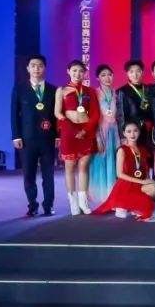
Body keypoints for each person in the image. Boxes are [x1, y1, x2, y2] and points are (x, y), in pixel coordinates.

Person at [10, 55, 58, 216]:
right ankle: (32, 205)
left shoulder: (53, 90)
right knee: (29, 174)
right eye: (33, 65)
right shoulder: (20, 89)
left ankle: (48, 205)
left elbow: (57, 116)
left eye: (40, 65)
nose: (36, 69)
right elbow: (14, 114)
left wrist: (58, 136)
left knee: (48, 174)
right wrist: (16, 136)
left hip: (48, 138)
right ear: (28, 68)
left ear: (45, 68)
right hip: (27, 138)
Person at [55, 60, 100, 216]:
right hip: (69, 132)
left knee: (83, 166)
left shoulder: (90, 91)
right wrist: (71, 127)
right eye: (74, 70)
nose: (77, 74)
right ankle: (73, 202)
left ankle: (83, 201)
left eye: (81, 71)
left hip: (86, 132)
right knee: (70, 167)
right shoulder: (61, 90)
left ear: (85, 73)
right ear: (68, 71)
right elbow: (57, 112)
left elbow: (95, 114)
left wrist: (85, 130)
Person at [91, 121, 155, 220]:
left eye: (135, 131)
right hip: (126, 184)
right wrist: (141, 181)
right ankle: (122, 203)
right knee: (146, 209)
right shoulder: (122, 150)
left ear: (139, 132)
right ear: (124, 133)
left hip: (139, 184)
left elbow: (145, 170)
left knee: (154, 188)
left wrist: (148, 180)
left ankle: (134, 205)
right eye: (129, 131)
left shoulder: (142, 149)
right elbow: (120, 174)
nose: (132, 134)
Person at [88, 64, 119, 205]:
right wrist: (98, 138)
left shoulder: (116, 92)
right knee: (101, 162)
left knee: (114, 163)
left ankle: (113, 195)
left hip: (115, 132)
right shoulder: (94, 93)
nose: (107, 78)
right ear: (97, 78)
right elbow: (93, 117)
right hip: (101, 132)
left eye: (109, 75)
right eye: (103, 75)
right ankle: (101, 197)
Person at [116, 60, 155, 152]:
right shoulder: (122, 92)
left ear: (143, 72)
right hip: (133, 131)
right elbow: (121, 115)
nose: (135, 74)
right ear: (127, 74)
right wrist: (123, 136)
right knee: (135, 155)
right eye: (131, 72)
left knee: (149, 154)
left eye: (138, 71)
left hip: (150, 130)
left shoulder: (149, 89)